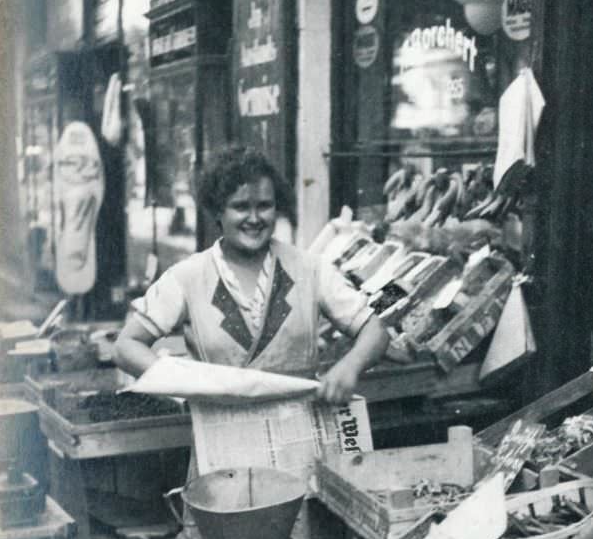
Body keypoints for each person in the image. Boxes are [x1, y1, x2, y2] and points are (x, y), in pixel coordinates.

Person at [114, 144, 389, 402]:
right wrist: (181, 383)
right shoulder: (187, 277)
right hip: (220, 436)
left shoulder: (310, 270)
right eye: (241, 207)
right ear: (218, 211)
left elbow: (375, 330)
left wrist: (349, 367)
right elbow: (127, 345)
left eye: (264, 206)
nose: (255, 219)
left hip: (300, 431)